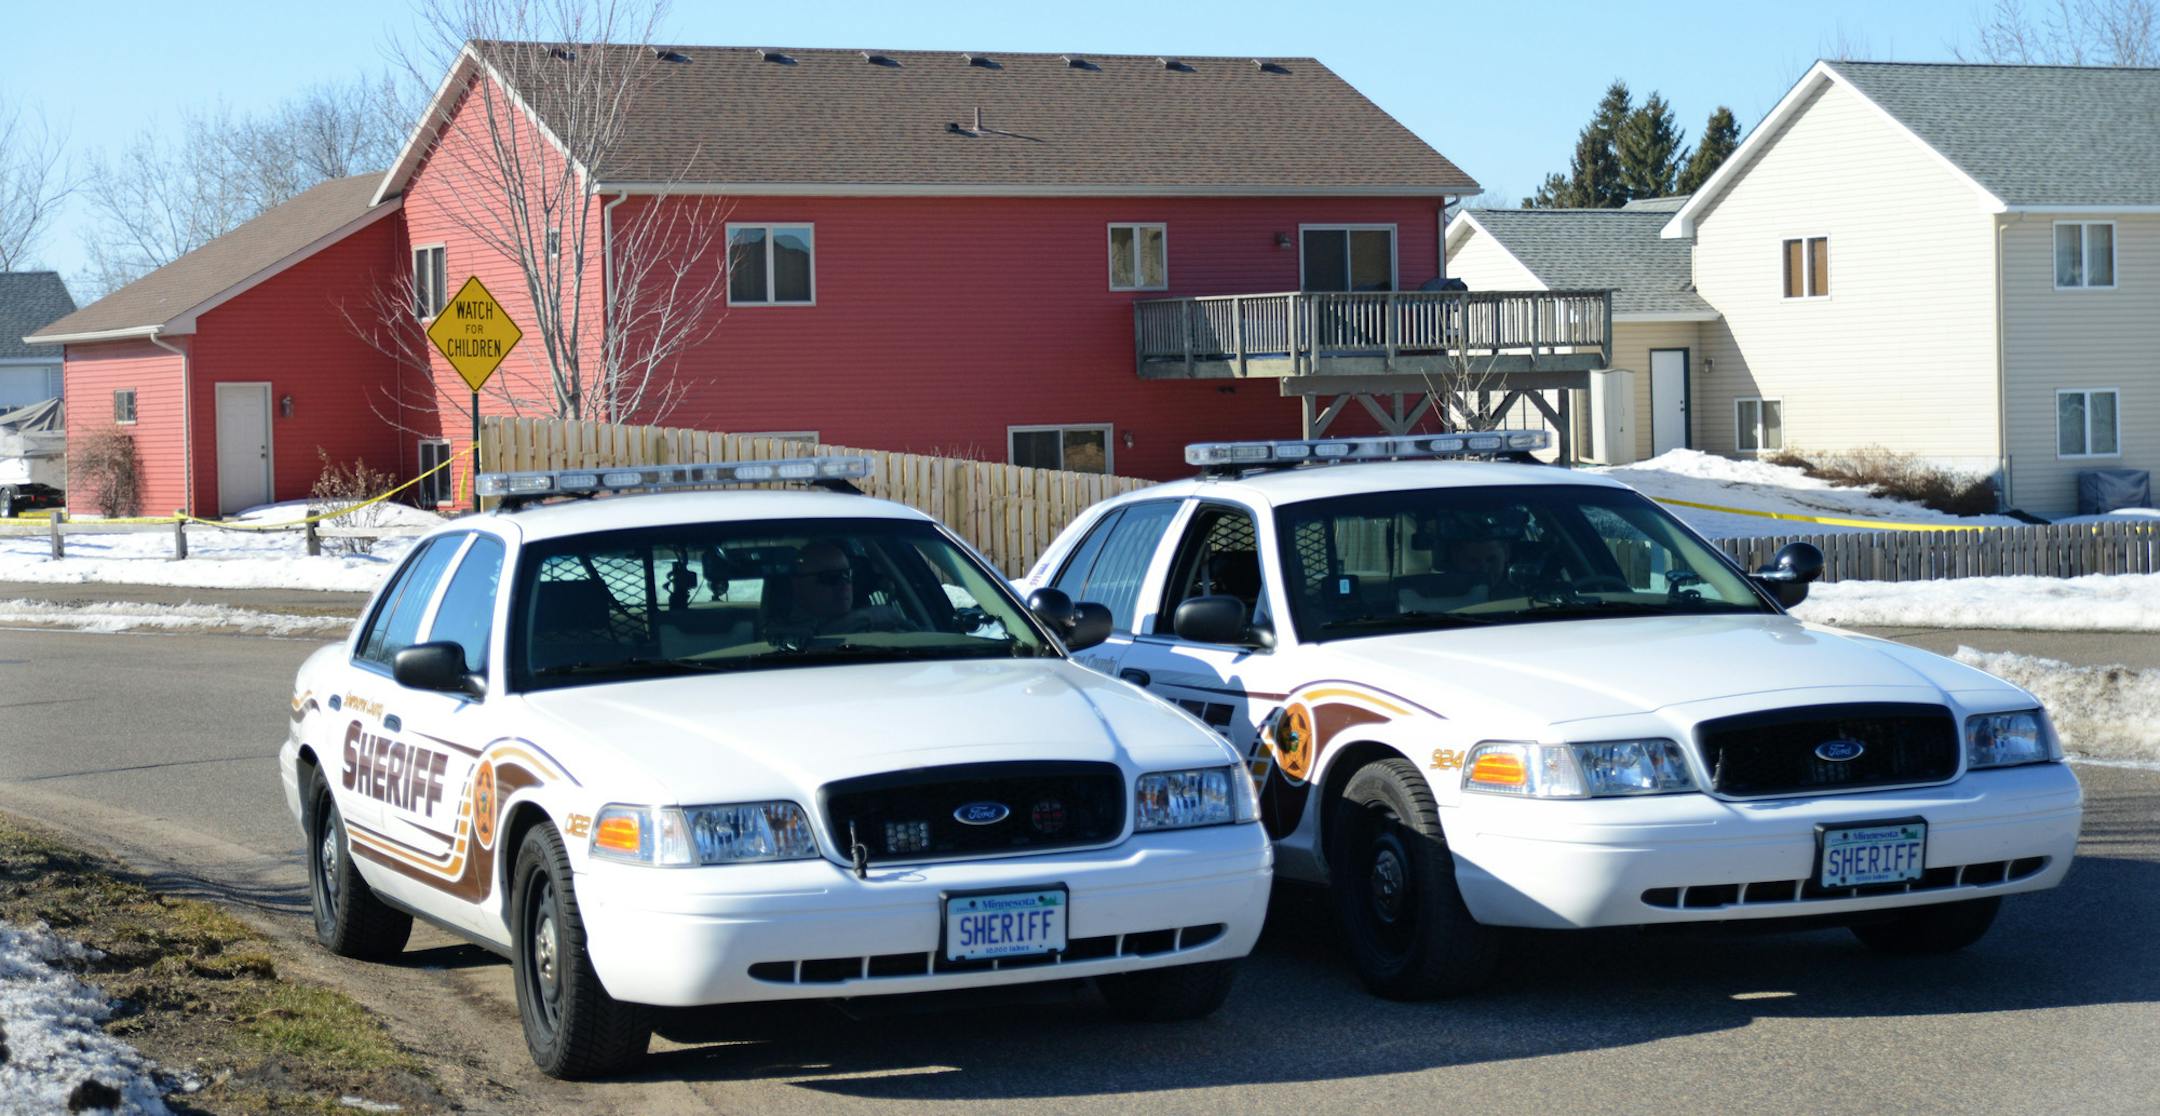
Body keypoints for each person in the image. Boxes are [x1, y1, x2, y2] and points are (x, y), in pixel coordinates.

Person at [766, 539, 915, 640]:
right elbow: (809, 644)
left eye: (847, 575)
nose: (844, 584)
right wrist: (863, 618)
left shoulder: (886, 624)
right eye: (830, 577)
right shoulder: (778, 634)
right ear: (797, 585)